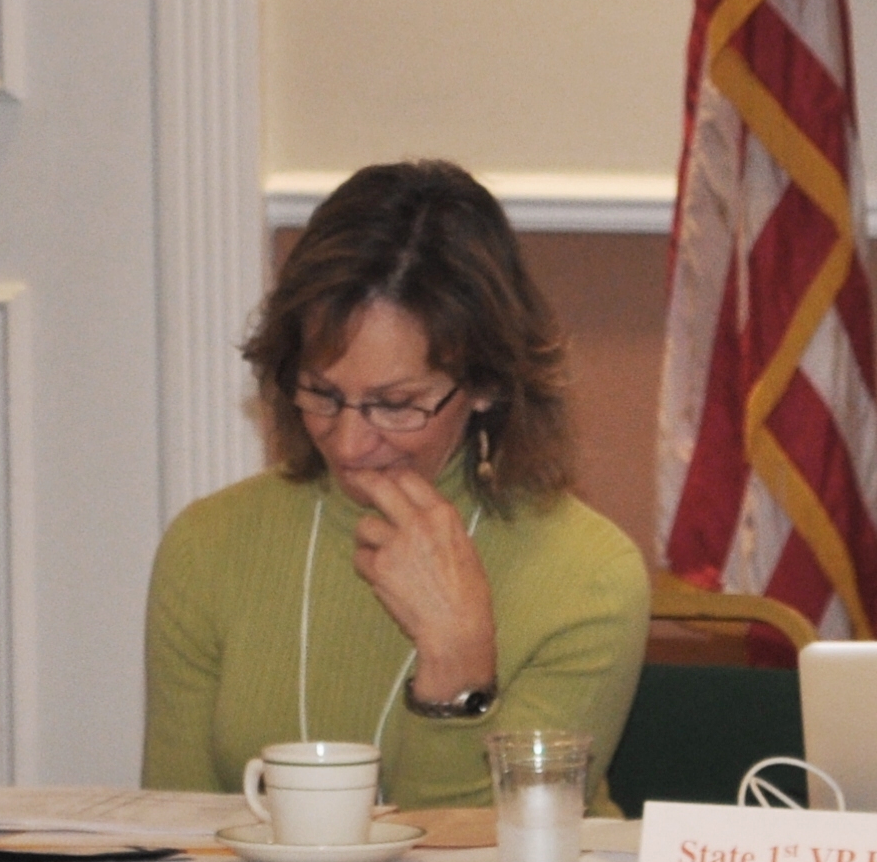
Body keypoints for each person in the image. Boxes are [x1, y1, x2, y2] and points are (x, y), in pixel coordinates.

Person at [142, 160, 648, 816]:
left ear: (488, 384)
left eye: (396, 405)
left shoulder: (589, 577)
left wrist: (457, 666)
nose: (350, 445)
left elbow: (492, 852)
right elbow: (175, 833)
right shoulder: (207, 546)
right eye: (322, 393)